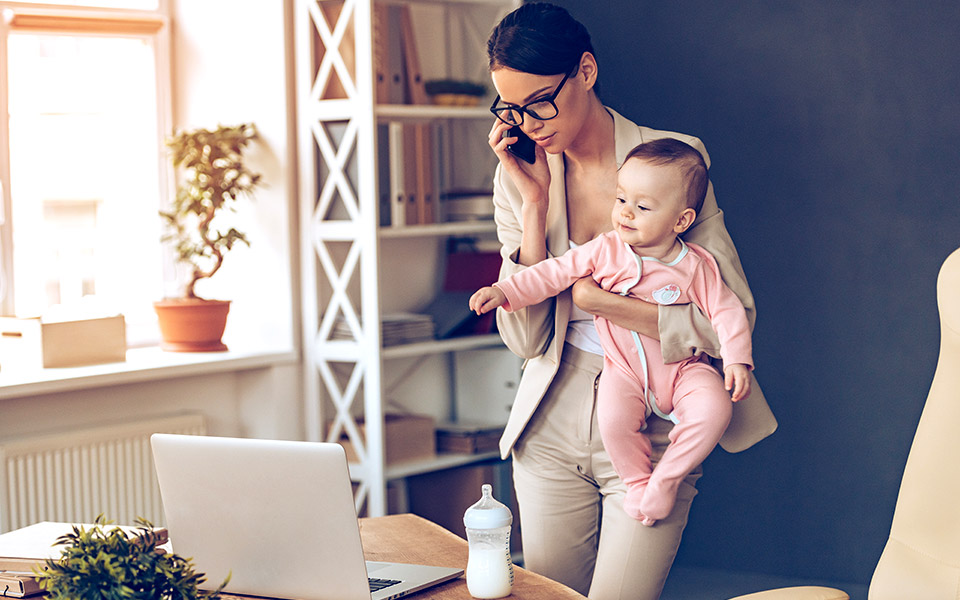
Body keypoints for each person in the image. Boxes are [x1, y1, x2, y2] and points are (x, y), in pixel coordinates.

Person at [483, 3, 778, 599]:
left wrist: (603, 302)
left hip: (656, 416)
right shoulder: (518, 177)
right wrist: (535, 207)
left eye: (540, 101)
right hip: (551, 418)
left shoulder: (672, 159)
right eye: (510, 108)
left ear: (586, 71)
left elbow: (729, 317)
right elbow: (525, 339)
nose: (529, 123)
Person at [471, 138, 754, 526]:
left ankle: (666, 478)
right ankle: (638, 482)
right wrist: (504, 291)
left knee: (715, 408)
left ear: (681, 221)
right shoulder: (604, 249)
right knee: (613, 419)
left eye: (642, 207)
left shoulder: (696, 264)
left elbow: (727, 310)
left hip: (685, 369)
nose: (625, 214)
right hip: (623, 371)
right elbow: (553, 273)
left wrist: (737, 360)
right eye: (621, 200)